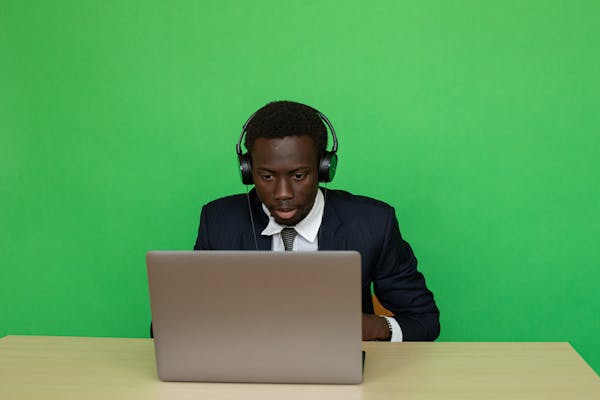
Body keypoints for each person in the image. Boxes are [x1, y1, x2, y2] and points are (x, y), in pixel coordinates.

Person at [193, 100, 439, 341]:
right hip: (247, 361)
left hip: (336, 362)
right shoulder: (218, 223)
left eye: (299, 176)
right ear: (247, 171)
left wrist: (375, 327)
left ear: (324, 168)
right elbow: (183, 319)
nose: (283, 193)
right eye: (267, 176)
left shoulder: (373, 224)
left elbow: (424, 320)